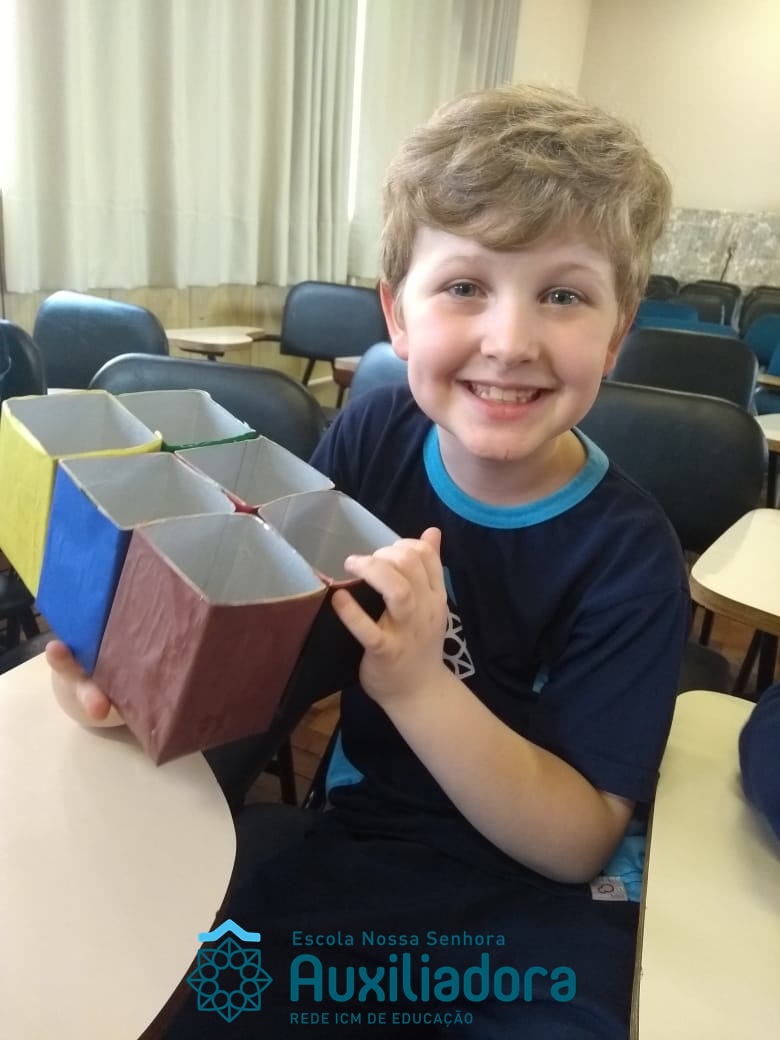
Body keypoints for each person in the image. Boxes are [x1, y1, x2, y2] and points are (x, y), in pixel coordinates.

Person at [48, 83, 690, 1038]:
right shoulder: (374, 433)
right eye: (465, 287)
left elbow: (579, 842)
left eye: (563, 295)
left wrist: (419, 686)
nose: (510, 341)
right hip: (364, 845)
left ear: (616, 334)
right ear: (397, 315)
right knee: (194, 1008)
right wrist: (136, 692)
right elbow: (286, 646)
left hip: (541, 911)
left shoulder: (629, 555)